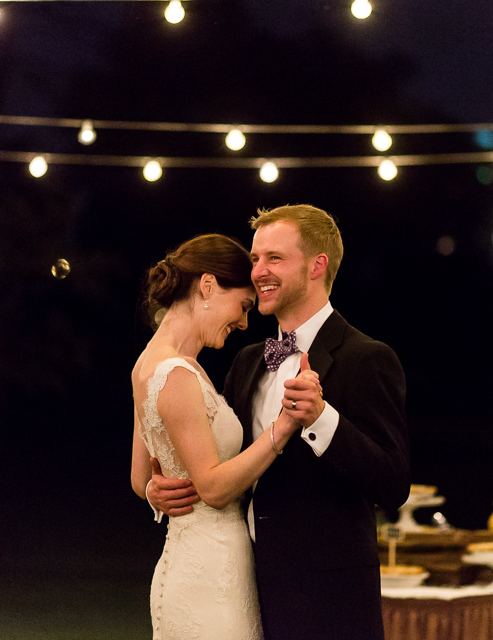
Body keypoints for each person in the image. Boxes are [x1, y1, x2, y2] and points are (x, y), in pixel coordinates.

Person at [151, 205, 411, 640]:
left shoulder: (366, 358)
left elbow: (393, 483)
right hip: (242, 591)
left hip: (326, 604)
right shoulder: (248, 361)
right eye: (255, 259)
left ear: (317, 265)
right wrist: (159, 487)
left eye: (274, 258)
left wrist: (322, 418)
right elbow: (221, 464)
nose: (258, 272)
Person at [130, 233, 320, 640]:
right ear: (208, 286)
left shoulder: (147, 364)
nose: (244, 322)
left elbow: (138, 475)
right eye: (244, 306)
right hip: (210, 575)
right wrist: (284, 427)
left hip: (190, 560)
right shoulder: (177, 374)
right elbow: (214, 489)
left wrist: (153, 491)